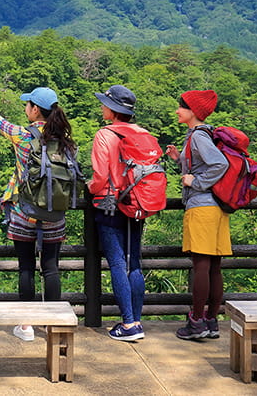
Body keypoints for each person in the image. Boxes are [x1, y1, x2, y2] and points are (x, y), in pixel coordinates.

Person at [0, 87, 76, 342]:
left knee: (26, 268)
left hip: (25, 213)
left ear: (35, 110)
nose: (26, 108)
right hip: (55, 214)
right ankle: (53, 325)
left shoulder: (23, 136)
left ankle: (26, 326)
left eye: (28, 105)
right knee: (51, 268)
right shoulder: (65, 141)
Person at [166, 90, 230, 340]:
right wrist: (179, 159)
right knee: (214, 267)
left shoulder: (198, 137)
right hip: (216, 207)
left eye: (181, 107)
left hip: (202, 207)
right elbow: (202, 163)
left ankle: (196, 323)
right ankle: (212, 321)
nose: (177, 111)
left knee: (201, 266)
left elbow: (219, 164)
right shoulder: (202, 135)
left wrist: (197, 182)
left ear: (193, 111)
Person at [87, 85, 147, 341]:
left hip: (110, 205)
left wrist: (89, 187)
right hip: (137, 204)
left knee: (117, 263)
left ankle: (129, 324)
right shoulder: (143, 133)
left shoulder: (105, 135)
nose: (102, 107)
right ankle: (137, 321)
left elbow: (100, 177)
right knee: (134, 263)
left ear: (113, 110)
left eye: (104, 104)